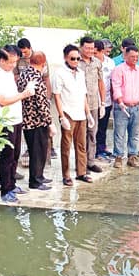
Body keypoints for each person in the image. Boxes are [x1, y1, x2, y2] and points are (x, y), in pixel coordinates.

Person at [0, 45, 37, 204]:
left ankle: (12, 184)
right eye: (10, 62)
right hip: (4, 122)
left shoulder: (8, 73)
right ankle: (5, 190)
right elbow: (2, 101)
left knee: (15, 154)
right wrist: (23, 95)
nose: (13, 66)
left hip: (16, 119)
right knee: (6, 157)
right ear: (1, 60)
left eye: (15, 62)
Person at [53, 44, 92, 186]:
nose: (75, 61)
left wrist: (88, 114)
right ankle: (66, 175)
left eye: (77, 59)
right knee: (66, 146)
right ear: (65, 58)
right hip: (68, 113)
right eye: (72, 58)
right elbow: (56, 96)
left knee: (81, 145)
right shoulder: (59, 73)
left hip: (80, 113)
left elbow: (83, 94)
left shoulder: (81, 73)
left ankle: (81, 172)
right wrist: (62, 116)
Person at [110, 45, 139, 168]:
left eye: (137, 57)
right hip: (122, 106)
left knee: (134, 134)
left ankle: (132, 156)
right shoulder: (119, 69)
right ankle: (118, 157)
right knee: (119, 133)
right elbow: (116, 86)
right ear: (126, 56)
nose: (135, 59)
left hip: (136, 107)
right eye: (132, 57)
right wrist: (120, 101)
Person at [18, 51, 52, 190]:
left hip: (26, 118)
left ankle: (39, 175)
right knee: (38, 152)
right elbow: (41, 103)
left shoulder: (24, 73)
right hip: (37, 121)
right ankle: (35, 181)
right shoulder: (36, 78)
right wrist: (50, 122)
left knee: (34, 151)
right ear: (43, 63)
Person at [78, 36, 105, 173]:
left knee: (92, 134)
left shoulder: (97, 62)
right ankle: (81, 164)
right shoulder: (75, 61)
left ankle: (90, 161)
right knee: (80, 136)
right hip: (78, 105)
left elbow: (101, 83)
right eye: (87, 48)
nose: (89, 51)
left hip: (94, 103)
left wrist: (103, 103)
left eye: (91, 48)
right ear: (81, 47)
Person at [94, 38, 115, 158]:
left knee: (103, 126)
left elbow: (112, 81)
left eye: (96, 52)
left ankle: (101, 148)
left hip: (106, 100)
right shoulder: (90, 63)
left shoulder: (110, 63)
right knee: (93, 127)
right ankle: (93, 151)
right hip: (92, 100)